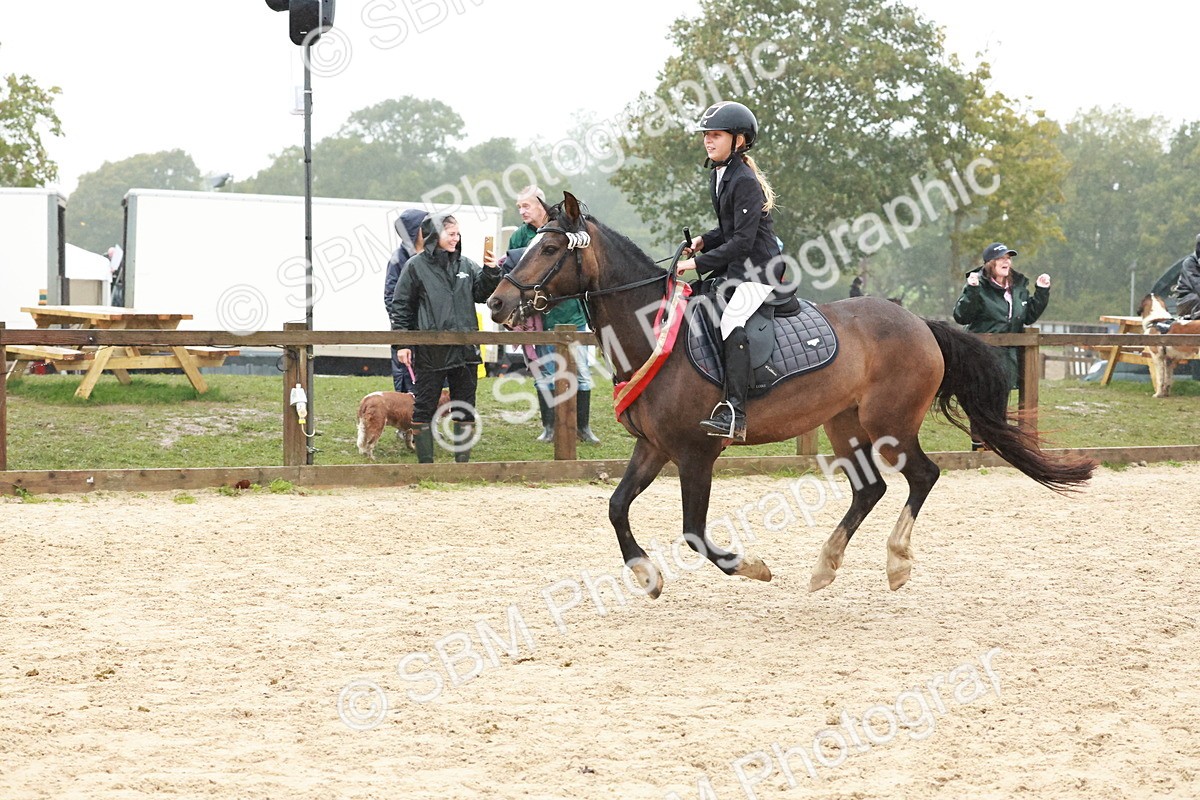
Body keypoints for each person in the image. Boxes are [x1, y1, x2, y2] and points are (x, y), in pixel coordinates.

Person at [674, 100, 785, 442]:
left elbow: (742, 240)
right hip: (738, 266)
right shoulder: (721, 176)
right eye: (706, 135)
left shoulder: (744, 179)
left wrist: (695, 264)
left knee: (731, 320)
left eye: (716, 135)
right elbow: (727, 229)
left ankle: (735, 411)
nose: (708, 141)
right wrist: (703, 243)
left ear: (739, 140)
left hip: (761, 270)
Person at [393, 213, 502, 463]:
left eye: (457, 234)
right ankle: (426, 466)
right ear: (435, 236)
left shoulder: (466, 265)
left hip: (465, 351)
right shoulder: (415, 267)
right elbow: (401, 307)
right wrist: (403, 343)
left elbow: (482, 294)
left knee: (465, 407)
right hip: (430, 351)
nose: (456, 238)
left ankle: (462, 465)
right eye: (451, 233)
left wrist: (491, 271)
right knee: (424, 407)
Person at [499, 185, 600, 444]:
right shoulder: (519, 237)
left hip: (572, 315)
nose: (522, 211)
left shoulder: (562, 228)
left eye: (526, 205)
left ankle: (582, 428)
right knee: (544, 373)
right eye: (519, 207)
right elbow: (511, 270)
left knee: (580, 372)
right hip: (538, 319)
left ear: (541, 205)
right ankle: (550, 427)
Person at [952, 242, 1051, 450]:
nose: (1006, 261)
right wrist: (972, 290)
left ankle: (997, 449)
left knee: (999, 406)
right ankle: (979, 448)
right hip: (980, 356)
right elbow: (961, 316)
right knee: (980, 404)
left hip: (1006, 358)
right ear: (990, 263)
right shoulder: (977, 285)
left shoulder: (1018, 289)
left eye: (1009, 258)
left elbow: (1029, 316)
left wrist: (1042, 292)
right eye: (1001, 258)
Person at [385, 208, 428, 393]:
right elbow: (391, 299)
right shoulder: (398, 260)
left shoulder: (437, 255)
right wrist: (404, 340)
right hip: (408, 335)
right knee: (408, 393)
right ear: (414, 230)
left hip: (433, 336)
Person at [1174, 233, 1200, 319]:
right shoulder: (1190, 263)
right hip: (1186, 300)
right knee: (1197, 298)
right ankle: (1193, 317)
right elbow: (1198, 285)